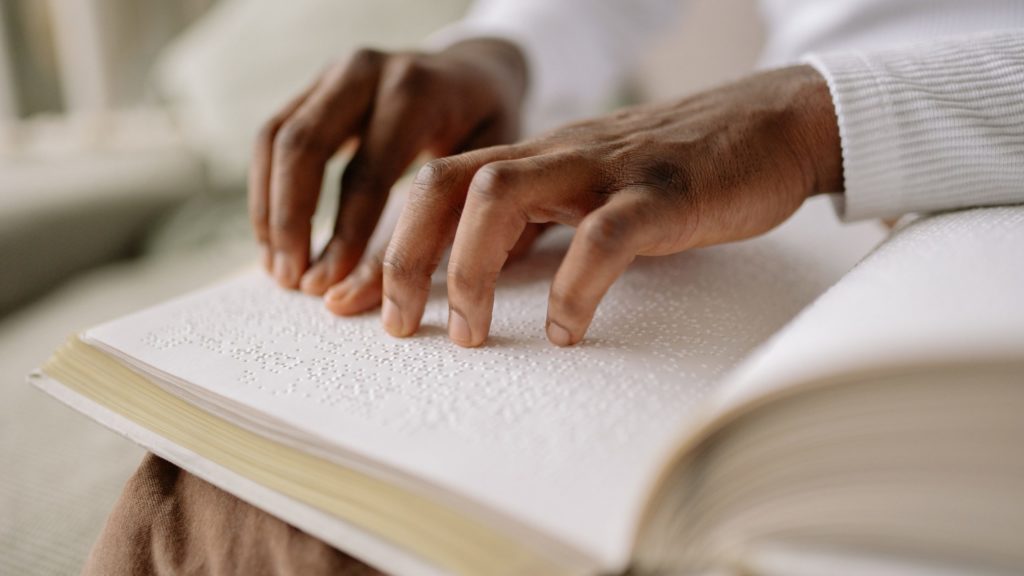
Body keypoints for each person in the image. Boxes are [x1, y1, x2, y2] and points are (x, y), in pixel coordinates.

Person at [87, 1, 1024, 574]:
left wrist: (821, 115)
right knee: (264, 505)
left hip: (938, 180)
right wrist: (508, 44)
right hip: (817, 200)